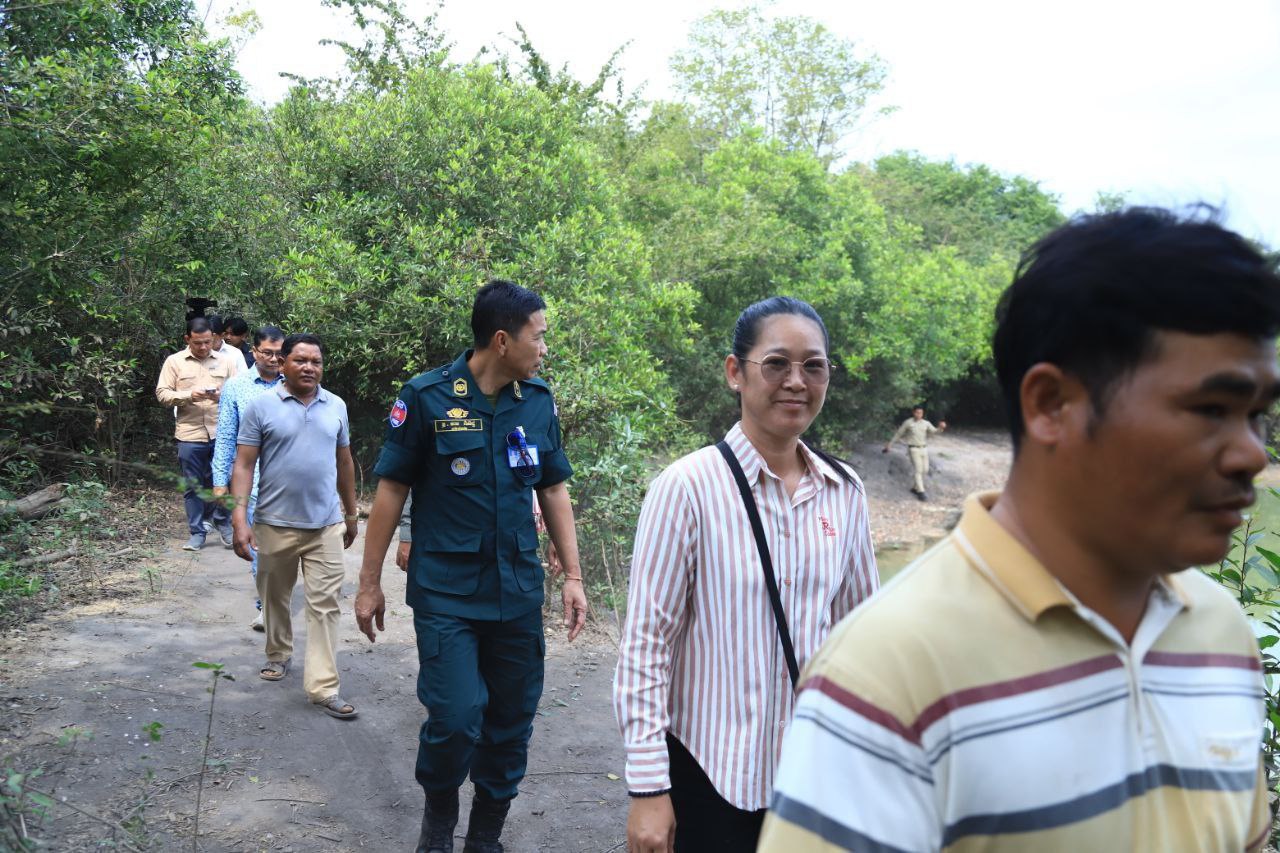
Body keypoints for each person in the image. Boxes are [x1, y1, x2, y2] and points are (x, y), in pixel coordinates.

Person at [760, 207, 1280, 852]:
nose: (1252, 454)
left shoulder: (1223, 634)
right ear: (1051, 405)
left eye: (1257, 415)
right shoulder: (886, 672)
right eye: (1210, 408)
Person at [615, 296, 879, 853]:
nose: (796, 382)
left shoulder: (845, 492)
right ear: (736, 372)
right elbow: (646, 646)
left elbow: (861, 640)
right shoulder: (687, 488)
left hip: (809, 777)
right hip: (709, 774)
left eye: (814, 366)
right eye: (776, 363)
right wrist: (648, 788)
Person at [355, 279, 588, 853]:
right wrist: (368, 583)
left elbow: (553, 487)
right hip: (447, 593)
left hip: (517, 590)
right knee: (456, 717)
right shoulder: (426, 396)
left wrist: (574, 575)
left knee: (511, 720)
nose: (544, 349)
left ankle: (485, 836)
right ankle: (439, 819)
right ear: (503, 340)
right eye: (539, 337)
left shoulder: (536, 401)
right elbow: (391, 490)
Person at [229, 333, 360, 719]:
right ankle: (278, 652)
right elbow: (244, 464)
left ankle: (323, 687)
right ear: (282, 363)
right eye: (301, 360)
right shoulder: (261, 406)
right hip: (274, 523)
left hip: (325, 525)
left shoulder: (336, 405)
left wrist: (351, 514)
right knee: (274, 596)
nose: (309, 368)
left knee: (325, 606)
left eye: (315, 362)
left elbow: (345, 462)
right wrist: (239, 518)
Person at [212, 326, 286, 631]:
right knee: (261, 550)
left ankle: (277, 598)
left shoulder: (296, 383)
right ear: (254, 352)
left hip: (290, 483)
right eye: (267, 352)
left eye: (280, 353)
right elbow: (226, 436)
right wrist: (220, 480)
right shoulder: (236, 387)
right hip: (253, 481)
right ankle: (267, 607)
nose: (274, 359)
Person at [155, 316, 240, 551]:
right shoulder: (174, 362)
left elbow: (238, 394)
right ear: (187, 339)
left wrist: (221, 396)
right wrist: (188, 396)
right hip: (189, 434)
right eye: (197, 343)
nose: (203, 347)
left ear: (214, 338)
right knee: (193, 485)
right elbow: (162, 394)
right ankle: (197, 532)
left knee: (225, 481)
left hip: (221, 433)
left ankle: (224, 524)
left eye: (207, 342)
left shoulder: (226, 361)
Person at [883, 405, 946, 500]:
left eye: (921, 413)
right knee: (918, 470)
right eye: (917, 412)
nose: (919, 415)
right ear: (913, 413)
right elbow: (899, 434)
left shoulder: (926, 423)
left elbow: (934, 431)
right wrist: (890, 444)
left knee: (925, 470)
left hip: (923, 448)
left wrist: (941, 428)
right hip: (913, 449)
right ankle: (921, 492)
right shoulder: (908, 423)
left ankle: (915, 488)